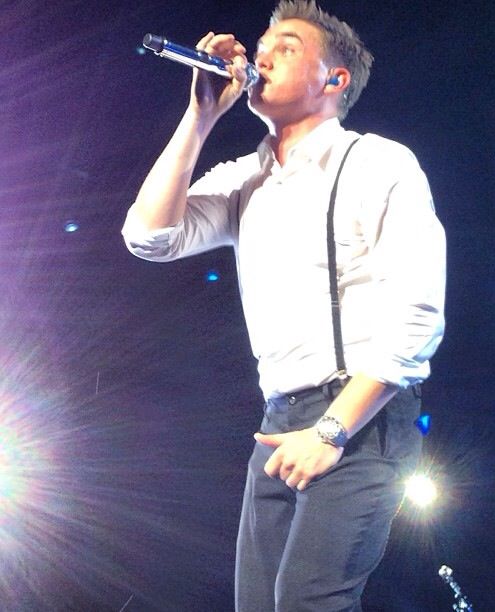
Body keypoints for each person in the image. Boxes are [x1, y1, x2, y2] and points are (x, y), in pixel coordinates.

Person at [122, 1, 446, 610]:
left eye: (288, 47)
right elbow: (149, 237)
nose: (262, 56)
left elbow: (417, 314)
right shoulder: (244, 179)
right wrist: (199, 117)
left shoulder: (378, 162)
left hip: (359, 418)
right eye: (263, 46)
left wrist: (331, 430)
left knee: (306, 601)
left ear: (334, 79)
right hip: (278, 422)